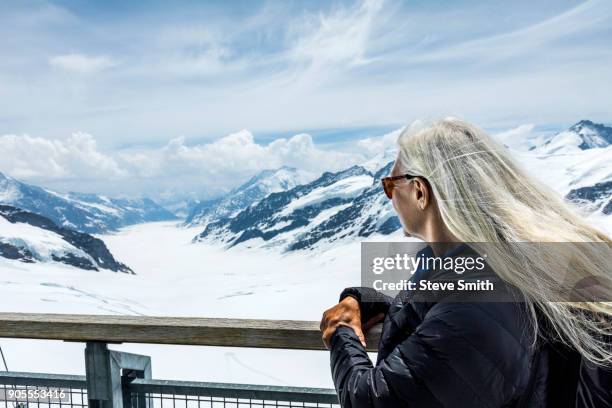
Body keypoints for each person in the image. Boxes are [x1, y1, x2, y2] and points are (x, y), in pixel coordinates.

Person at [320, 119, 612, 407]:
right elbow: (439, 317)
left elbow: (371, 400)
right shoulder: (509, 265)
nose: (389, 198)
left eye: (390, 185)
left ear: (420, 192)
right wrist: (362, 300)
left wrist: (342, 331)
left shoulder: (476, 299)